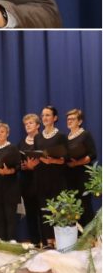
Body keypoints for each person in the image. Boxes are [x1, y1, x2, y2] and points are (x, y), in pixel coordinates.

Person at [35, 105, 68, 246]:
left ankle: (59, 240)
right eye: (43, 115)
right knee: (44, 210)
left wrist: (53, 160)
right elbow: (36, 154)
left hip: (57, 177)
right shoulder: (37, 137)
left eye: (48, 115)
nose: (45, 118)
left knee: (58, 210)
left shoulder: (61, 136)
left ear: (55, 118)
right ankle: (48, 241)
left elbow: (65, 158)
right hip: (41, 177)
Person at [64, 108, 96, 228]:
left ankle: (90, 236)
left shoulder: (85, 135)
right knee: (74, 207)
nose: (69, 121)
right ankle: (78, 237)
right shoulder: (66, 138)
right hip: (70, 176)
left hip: (83, 175)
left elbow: (92, 154)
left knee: (85, 205)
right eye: (68, 119)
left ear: (80, 121)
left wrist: (76, 163)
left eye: (72, 119)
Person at [18, 114, 43, 246]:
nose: (28, 125)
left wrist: (34, 167)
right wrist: (21, 166)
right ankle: (34, 241)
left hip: (40, 180)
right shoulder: (21, 143)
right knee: (31, 213)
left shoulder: (43, 139)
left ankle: (46, 241)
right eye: (26, 124)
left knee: (43, 212)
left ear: (38, 125)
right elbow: (17, 160)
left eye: (31, 123)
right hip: (26, 181)